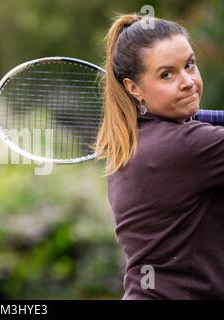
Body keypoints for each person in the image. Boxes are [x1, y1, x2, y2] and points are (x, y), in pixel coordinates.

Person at [95, 14, 224, 299]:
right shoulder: (189, 146)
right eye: (167, 74)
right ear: (133, 88)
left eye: (189, 65)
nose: (188, 81)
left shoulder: (135, 138)